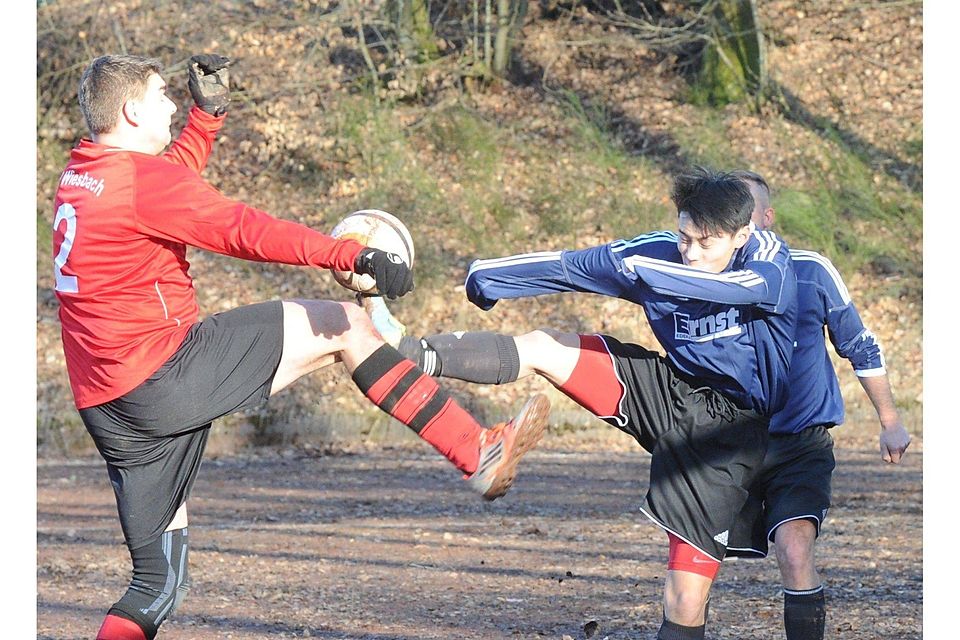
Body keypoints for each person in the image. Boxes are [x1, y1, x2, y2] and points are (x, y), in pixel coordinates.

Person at [52, 53, 550, 640]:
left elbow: (163, 190)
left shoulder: (84, 171)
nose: (173, 103)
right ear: (133, 110)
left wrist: (206, 121)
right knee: (344, 324)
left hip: (109, 406)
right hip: (164, 374)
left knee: (154, 584)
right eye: (164, 96)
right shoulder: (142, 183)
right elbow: (240, 228)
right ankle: (476, 450)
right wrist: (352, 254)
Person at [392, 167, 799, 640]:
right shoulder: (655, 252)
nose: (691, 254)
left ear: (742, 235)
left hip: (728, 432)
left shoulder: (767, 254)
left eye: (707, 244)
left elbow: (752, 288)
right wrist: (486, 278)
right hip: (670, 390)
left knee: (684, 596)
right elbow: (571, 267)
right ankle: (411, 355)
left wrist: (649, 273)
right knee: (547, 348)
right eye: (685, 238)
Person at [722, 170, 911, 640]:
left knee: (795, 549)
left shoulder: (811, 269)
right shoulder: (706, 272)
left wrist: (890, 420)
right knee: (696, 560)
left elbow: (860, 344)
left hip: (800, 444)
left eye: (748, 214)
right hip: (727, 443)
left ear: (767, 217)